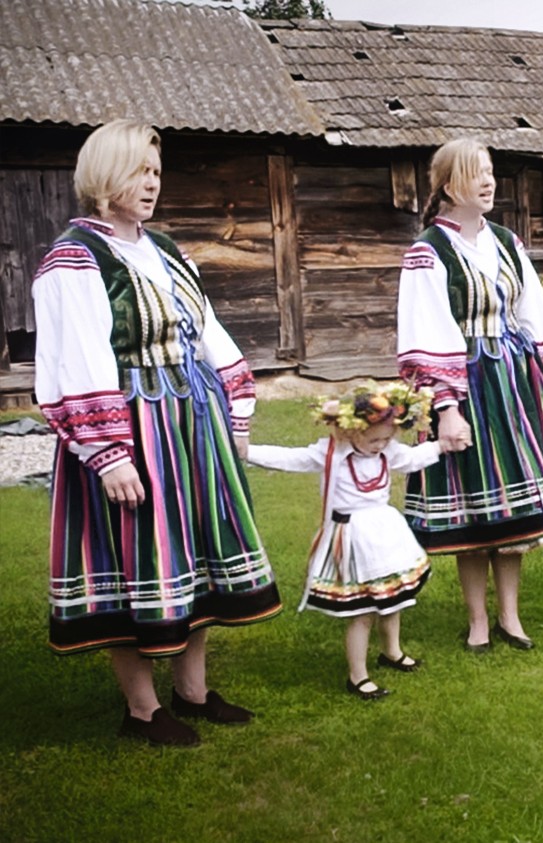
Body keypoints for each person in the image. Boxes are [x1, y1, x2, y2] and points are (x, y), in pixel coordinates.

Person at [33, 119, 281, 746]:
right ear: (104, 176)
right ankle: (141, 708)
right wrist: (109, 453)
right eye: (139, 171)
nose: (152, 183)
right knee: (135, 555)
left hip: (192, 423)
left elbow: (207, 330)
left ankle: (192, 692)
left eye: (155, 172)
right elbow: (76, 358)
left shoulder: (165, 248)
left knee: (194, 555)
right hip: (132, 426)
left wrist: (236, 408)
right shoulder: (75, 257)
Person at [397, 138, 543, 653]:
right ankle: (478, 619)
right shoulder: (428, 253)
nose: (487, 181)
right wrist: (446, 407)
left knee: (517, 509)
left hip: (513, 383)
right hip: (467, 385)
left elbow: (532, 310)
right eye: (475, 173)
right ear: (448, 185)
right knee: (475, 508)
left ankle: (510, 615)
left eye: (489, 172)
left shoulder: (506, 241)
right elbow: (427, 329)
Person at [248, 383, 446, 700]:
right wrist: (248, 452)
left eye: (386, 438)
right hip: (352, 539)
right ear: (350, 432)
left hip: (386, 536)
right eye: (373, 439)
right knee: (363, 611)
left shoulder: (387, 450)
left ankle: (391, 651)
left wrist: (441, 446)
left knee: (392, 599)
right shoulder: (332, 454)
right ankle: (358, 675)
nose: (381, 445)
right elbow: (291, 458)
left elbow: (410, 458)